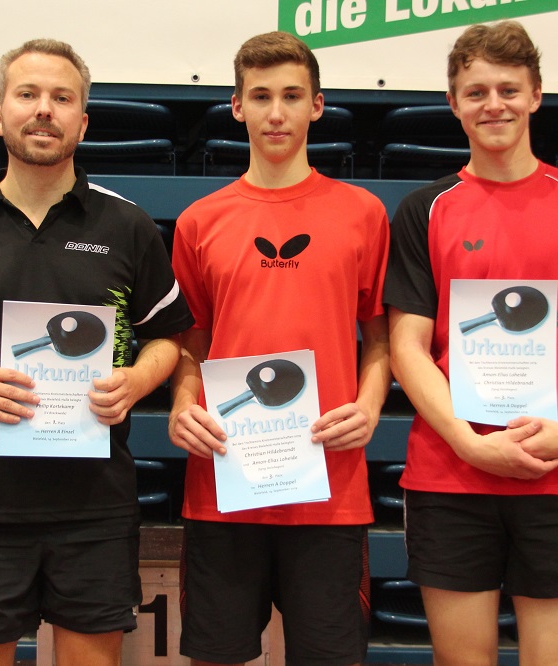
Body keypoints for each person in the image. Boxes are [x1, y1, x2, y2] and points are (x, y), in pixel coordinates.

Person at [0, 38, 194, 666]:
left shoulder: (127, 227)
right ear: (0, 115)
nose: (44, 109)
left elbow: (169, 337)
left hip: (94, 508)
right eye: (28, 94)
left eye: (61, 97)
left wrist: (137, 379)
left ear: (83, 121)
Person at [383, 20, 558, 666]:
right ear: (453, 103)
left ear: (536, 95)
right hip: (451, 475)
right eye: (476, 92)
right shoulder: (424, 209)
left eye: (508, 89)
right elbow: (407, 346)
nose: (493, 105)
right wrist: (467, 441)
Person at [168, 31, 391, 666]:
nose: (276, 113)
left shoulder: (363, 213)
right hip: (224, 482)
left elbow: (381, 338)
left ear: (317, 106)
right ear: (236, 106)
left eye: (292, 96)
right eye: (260, 96)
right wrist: (183, 403)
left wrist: (370, 406)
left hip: (329, 488)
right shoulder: (199, 221)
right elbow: (189, 341)